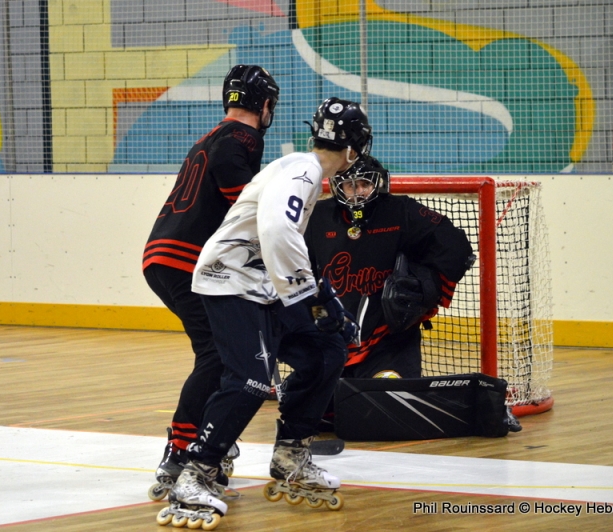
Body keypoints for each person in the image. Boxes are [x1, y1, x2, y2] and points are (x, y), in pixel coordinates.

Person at [156, 97, 372, 528]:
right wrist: (313, 298)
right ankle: (197, 472)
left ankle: (291, 452)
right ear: (355, 148)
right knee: (251, 380)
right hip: (229, 282)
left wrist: (321, 298)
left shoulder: (303, 173)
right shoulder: (303, 170)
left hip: (262, 287)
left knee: (328, 349)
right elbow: (276, 231)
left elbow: (288, 242)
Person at [305, 155, 522, 433]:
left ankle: (487, 409)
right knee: (312, 411)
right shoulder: (318, 217)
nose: (356, 192)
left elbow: (456, 249)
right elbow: (296, 270)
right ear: (337, 186)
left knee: (387, 411)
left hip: (389, 342)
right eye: (349, 185)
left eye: (363, 184)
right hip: (332, 342)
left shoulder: (401, 212)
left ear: (378, 184)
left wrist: (425, 287)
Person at [142, 65, 280, 500]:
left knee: (217, 355)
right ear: (265, 105)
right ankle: (184, 450)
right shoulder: (243, 137)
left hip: (162, 256)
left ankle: (193, 444)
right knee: (218, 358)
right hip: (185, 260)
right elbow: (242, 200)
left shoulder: (211, 135)